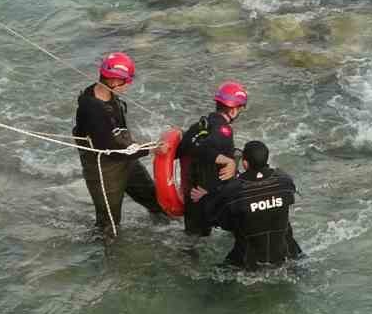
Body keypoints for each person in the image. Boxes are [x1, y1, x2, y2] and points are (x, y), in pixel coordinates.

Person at [72, 52, 168, 238]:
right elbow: (111, 150)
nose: (129, 84)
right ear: (113, 81)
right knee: (109, 225)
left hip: (127, 157)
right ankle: (106, 258)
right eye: (126, 81)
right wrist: (151, 149)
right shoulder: (92, 109)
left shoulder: (108, 93)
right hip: (105, 167)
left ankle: (165, 231)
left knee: (153, 199)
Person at [192, 140, 303, 270]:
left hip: (249, 263)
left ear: (244, 163)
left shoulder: (233, 190)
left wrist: (206, 197)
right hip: (288, 256)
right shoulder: (285, 181)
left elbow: (214, 219)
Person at [175, 81, 248, 236]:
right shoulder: (224, 130)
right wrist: (229, 162)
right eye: (240, 108)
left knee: (192, 242)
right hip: (208, 198)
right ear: (234, 110)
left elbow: (180, 151)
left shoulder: (199, 126)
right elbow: (203, 149)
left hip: (193, 197)